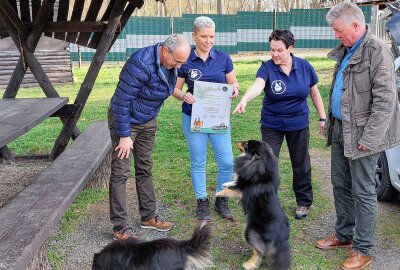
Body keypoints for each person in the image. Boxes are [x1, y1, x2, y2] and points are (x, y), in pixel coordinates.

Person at [314, 2, 400, 270]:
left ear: (355, 24)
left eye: (338, 30)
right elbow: (342, 89)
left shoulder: (377, 51)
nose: (335, 35)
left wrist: (371, 139)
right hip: (341, 127)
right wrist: (329, 120)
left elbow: (385, 101)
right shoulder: (347, 50)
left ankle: (363, 250)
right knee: (340, 184)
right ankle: (344, 235)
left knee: (363, 191)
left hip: (364, 134)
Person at [233, 29, 326, 219]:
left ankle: (303, 202)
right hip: (272, 124)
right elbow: (258, 85)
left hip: (298, 123)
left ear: (290, 48)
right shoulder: (267, 67)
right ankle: (268, 201)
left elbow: (314, 93)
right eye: (272, 50)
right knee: (267, 164)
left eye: (279, 50)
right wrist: (245, 99)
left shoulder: (304, 66)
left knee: (301, 163)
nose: (274, 54)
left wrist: (323, 117)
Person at [108, 34, 191, 240]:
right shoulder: (140, 64)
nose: (179, 66)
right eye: (177, 61)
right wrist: (125, 135)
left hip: (147, 120)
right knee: (120, 172)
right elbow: (121, 102)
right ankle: (120, 227)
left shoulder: (171, 64)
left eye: (182, 62)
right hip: (126, 121)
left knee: (144, 167)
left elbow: (169, 86)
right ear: (165, 50)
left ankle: (148, 217)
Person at [172, 16, 240, 222]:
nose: (208, 41)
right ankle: (202, 201)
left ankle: (222, 199)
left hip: (218, 119)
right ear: (194, 36)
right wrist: (184, 95)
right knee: (198, 161)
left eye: (211, 36)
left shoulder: (223, 58)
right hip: (194, 119)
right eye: (204, 36)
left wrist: (235, 91)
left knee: (227, 162)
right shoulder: (186, 61)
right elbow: (174, 88)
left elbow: (234, 83)